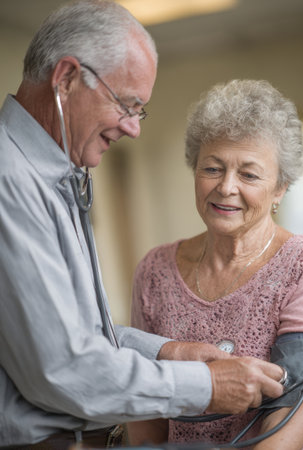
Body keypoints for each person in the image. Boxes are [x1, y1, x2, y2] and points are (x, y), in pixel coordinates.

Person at [0, 2, 285, 449]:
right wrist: (205, 386)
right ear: (67, 78)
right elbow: (64, 370)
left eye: (141, 111)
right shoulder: (9, 182)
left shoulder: (55, 177)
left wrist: (166, 350)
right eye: (126, 105)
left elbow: (76, 333)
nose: (133, 128)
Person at [129, 80, 303, 449]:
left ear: (280, 188)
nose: (226, 187)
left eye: (249, 174)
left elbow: (295, 408)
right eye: (212, 168)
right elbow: (145, 398)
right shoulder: (154, 269)